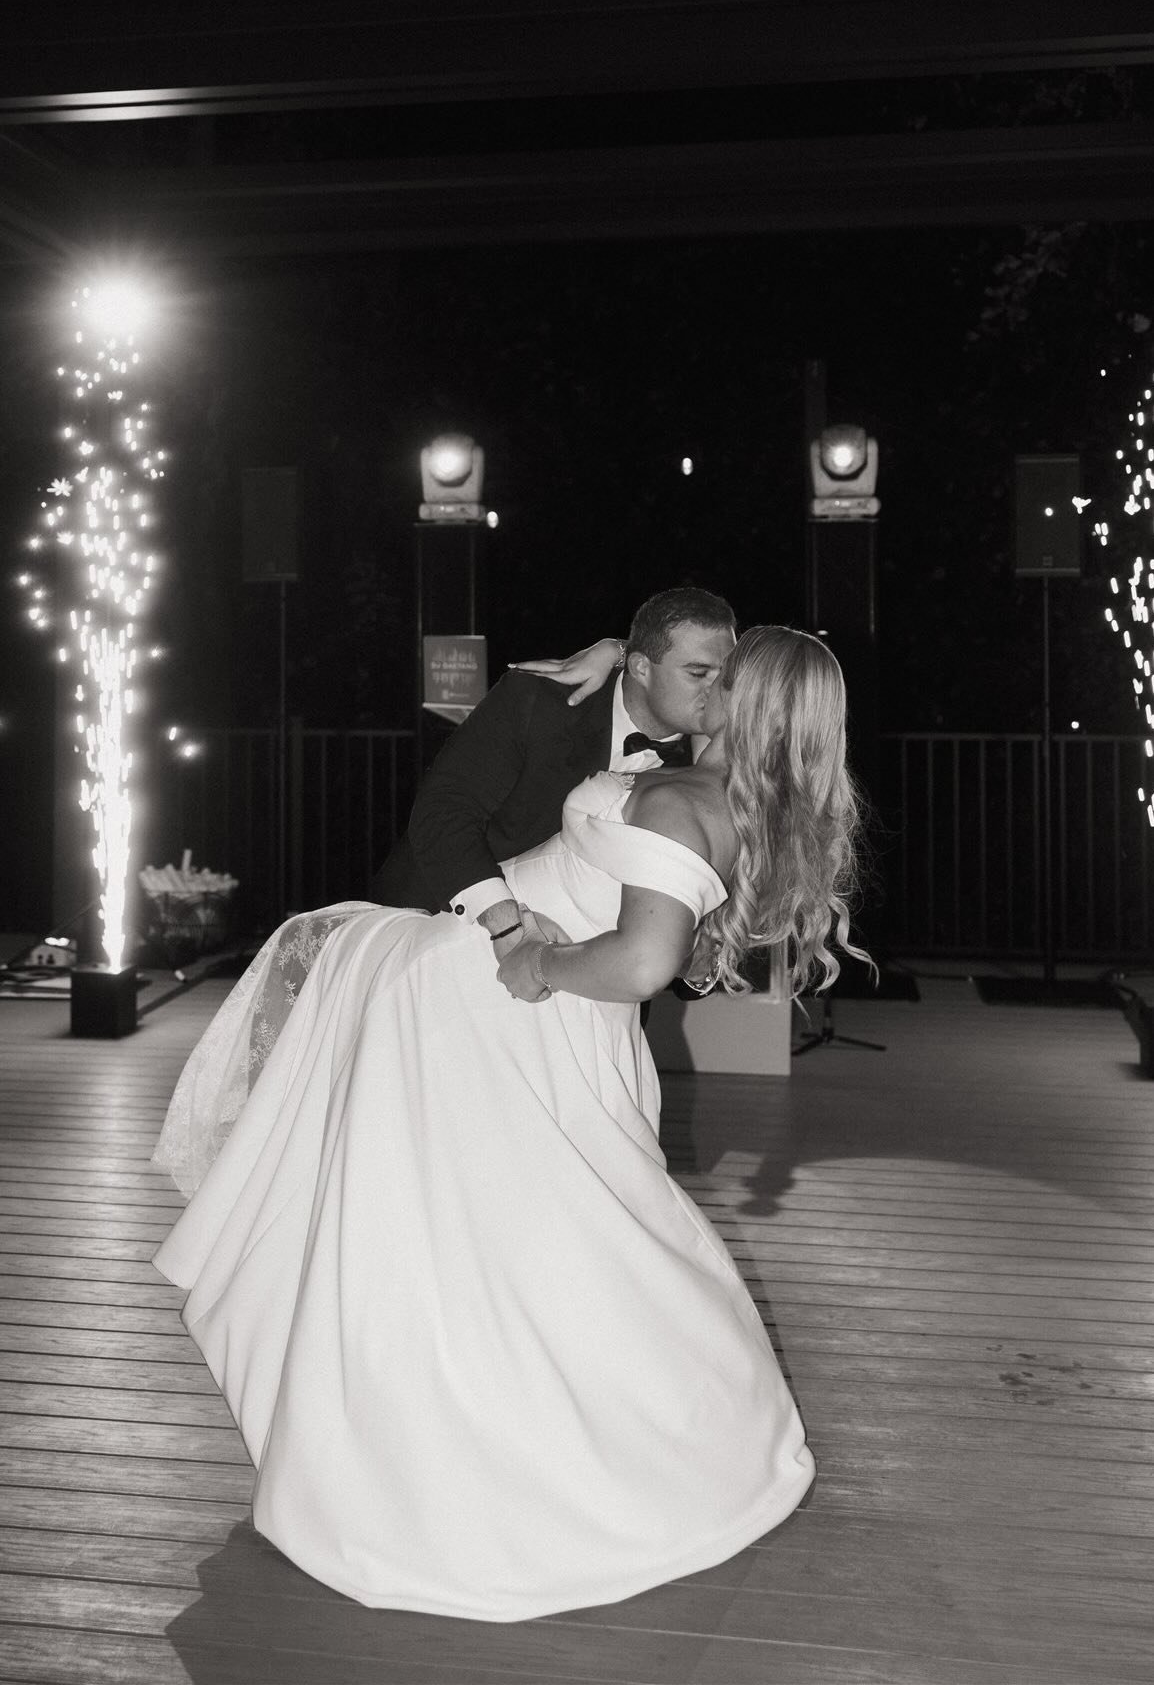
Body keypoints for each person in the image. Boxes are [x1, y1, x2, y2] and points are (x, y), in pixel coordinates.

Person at [152, 625, 867, 1621]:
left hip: (495, 1009)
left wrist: (536, 962)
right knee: (510, 1238)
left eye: (727, 676)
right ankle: (482, 1444)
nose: (707, 686)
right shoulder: (726, 794)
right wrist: (615, 652)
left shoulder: (679, 799)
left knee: (443, 1239)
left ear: (750, 704)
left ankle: (436, 1472)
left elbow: (641, 961)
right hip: (518, 1018)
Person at [372, 587, 736, 992]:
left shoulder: (709, 772)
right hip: (441, 939)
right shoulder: (537, 702)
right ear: (640, 668)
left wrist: (697, 961)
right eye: (698, 674)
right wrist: (508, 929)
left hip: (585, 989)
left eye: (727, 675)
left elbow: (681, 940)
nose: (718, 690)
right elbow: (443, 812)